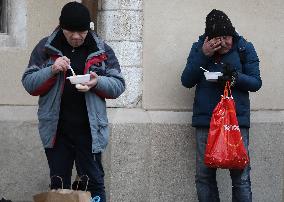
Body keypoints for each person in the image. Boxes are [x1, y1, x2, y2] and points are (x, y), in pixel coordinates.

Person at [22, 2, 125, 201]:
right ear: (61, 27)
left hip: (90, 132)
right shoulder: (46, 48)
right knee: (59, 186)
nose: (76, 37)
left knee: (93, 183)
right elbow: (29, 84)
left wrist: (97, 82)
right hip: (57, 132)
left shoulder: (101, 50)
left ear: (89, 28)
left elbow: (119, 85)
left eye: (82, 32)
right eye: (71, 31)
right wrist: (51, 69)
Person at [181, 9, 262, 202]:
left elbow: (256, 83)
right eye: (217, 39)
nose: (223, 43)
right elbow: (186, 80)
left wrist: (235, 77)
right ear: (209, 39)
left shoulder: (244, 48)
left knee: (241, 177)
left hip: (236, 120)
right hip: (206, 120)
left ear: (232, 35)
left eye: (226, 38)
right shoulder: (199, 48)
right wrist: (204, 54)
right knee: (204, 176)